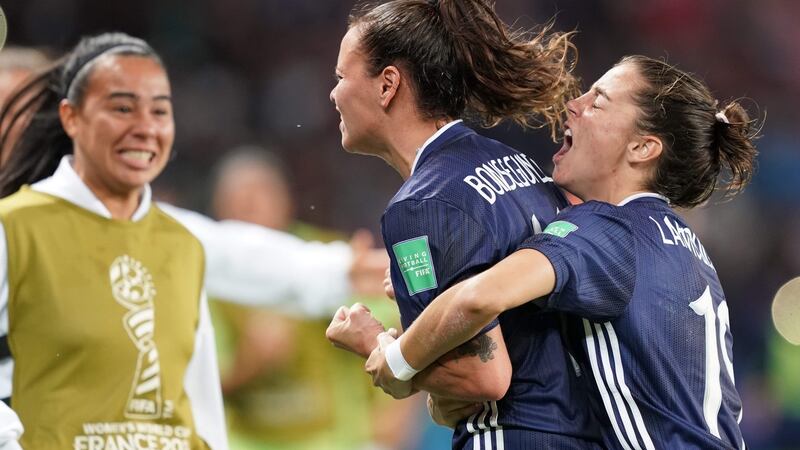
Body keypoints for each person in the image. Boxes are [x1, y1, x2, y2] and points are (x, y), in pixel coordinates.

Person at [0, 38, 390, 448]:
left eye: (26, 116)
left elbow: (229, 253)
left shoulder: (157, 234)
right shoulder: (19, 227)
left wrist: (336, 270)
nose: (15, 131)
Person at [366, 55, 757, 450]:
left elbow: (478, 298)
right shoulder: (685, 248)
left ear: (642, 147)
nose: (574, 104)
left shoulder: (609, 229)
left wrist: (393, 357)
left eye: (598, 101)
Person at [325, 1, 605, 448]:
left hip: (514, 434)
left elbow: (483, 377)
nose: (334, 94)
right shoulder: (515, 164)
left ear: (387, 85)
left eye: (342, 76)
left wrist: (376, 345)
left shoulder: (421, 204)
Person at [208, 148, 419, 450]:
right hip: (245, 441)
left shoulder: (330, 260)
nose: (252, 211)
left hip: (334, 441)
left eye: (260, 198)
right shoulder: (209, 278)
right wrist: (249, 363)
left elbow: (403, 331)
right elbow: (192, 387)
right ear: (219, 210)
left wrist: (392, 423)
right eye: (240, 203)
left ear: (286, 200)